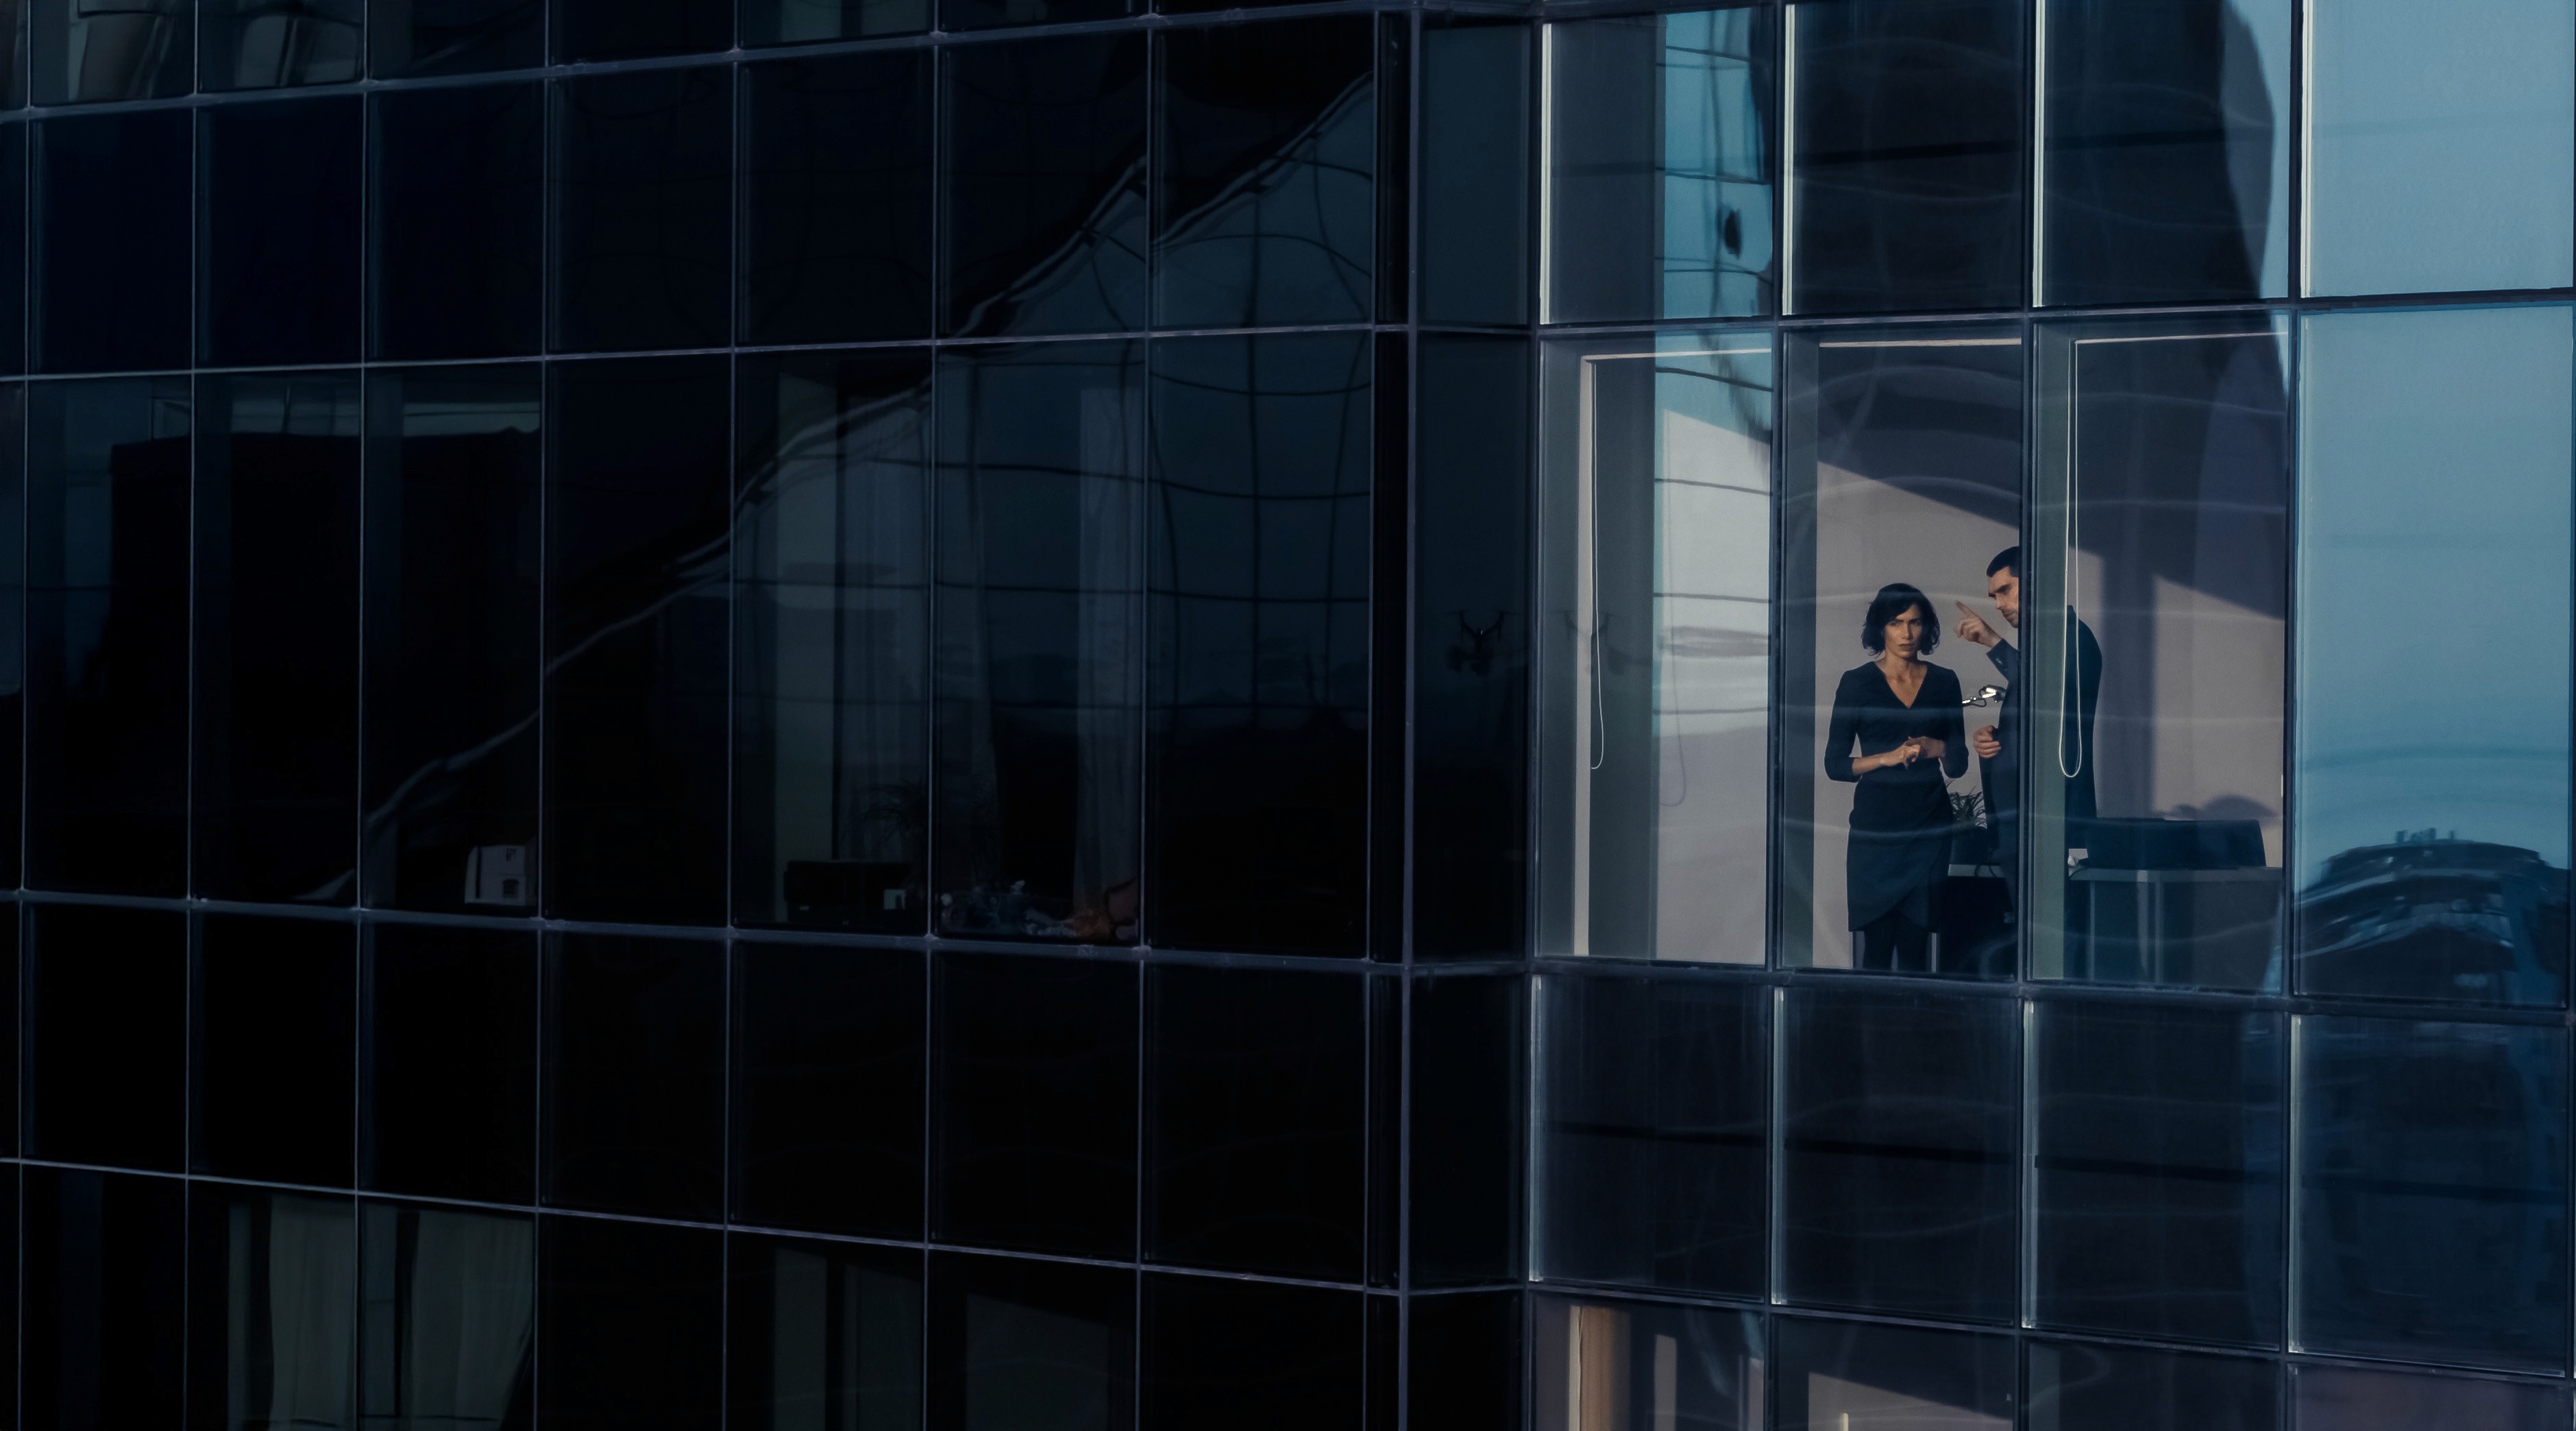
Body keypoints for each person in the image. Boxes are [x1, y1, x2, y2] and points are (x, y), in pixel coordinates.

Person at [1826, 583, 1969, 971]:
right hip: (1877, 833)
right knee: (1875, 951)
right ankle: (1869, 1029)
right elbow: (1835, 765)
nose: (1906, 633)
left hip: (1928, 829)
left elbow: (1958, 764)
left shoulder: (1945, 681)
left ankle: (1916, 1029)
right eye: (1896, 623)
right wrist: (1887, 757)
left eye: (1915, 623)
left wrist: (1936, 748)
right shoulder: (1856, 682)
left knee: (1915, 949)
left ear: (1926, 629)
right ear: (1880, 628)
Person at [1954, 546, 2100, 907]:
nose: (1999, 604)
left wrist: (1992, 642)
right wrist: (1992, 741)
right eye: (1994, 596)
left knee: (2055, 938)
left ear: (2036, 581)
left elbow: (2049, 693)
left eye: (2006, 590)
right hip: (2019, 828)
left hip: (2049, 825)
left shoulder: (2073, 637)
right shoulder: (2038, 647)